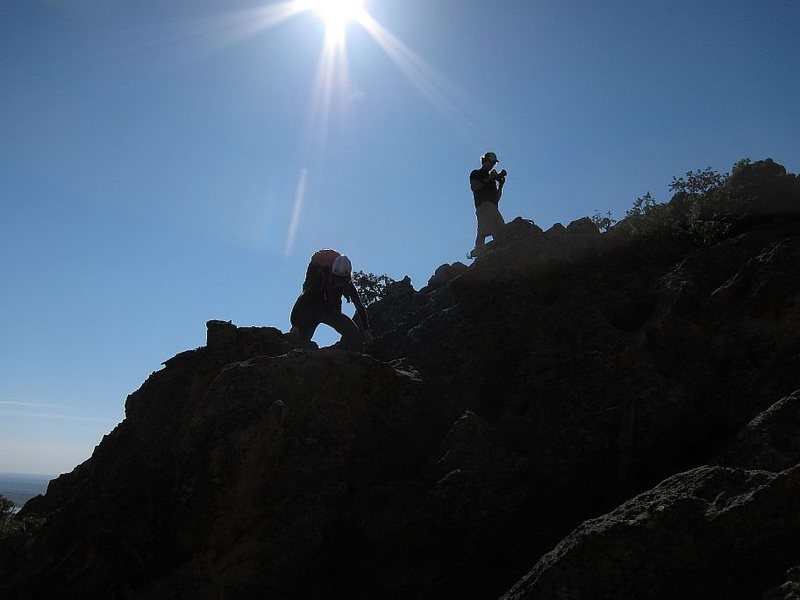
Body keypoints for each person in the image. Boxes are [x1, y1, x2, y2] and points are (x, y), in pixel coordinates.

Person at [289, 249, 370, 352]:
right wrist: (296, 325)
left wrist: (366, 329)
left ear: (347, 279)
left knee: (353, 334)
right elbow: (304, 298)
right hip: (314, 306)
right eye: (337, 280)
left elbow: (359, 306)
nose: (339, 283)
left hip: (330, 310)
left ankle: (351, 358)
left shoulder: (348, 286)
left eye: (342, 281)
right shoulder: (318, 279)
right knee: (301, 337)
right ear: (332, 274)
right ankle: (297, 343)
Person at [468, 151, 507, 258]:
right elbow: (475, 187)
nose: (492, 165)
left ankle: (501, 252)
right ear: (484, 161)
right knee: (483, 230)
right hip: (483, 205)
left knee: (501, 231)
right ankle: (479, 251)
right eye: (491, 162)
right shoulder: (476, 173)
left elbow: (496, 198)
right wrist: (490, 178)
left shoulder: (492, 180)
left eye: (493, 163)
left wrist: (501, 186)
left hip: (493, 207)